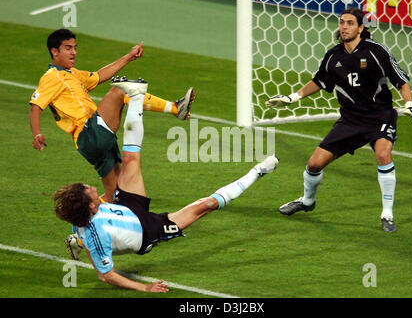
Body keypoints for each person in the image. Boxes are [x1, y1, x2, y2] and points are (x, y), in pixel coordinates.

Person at [54, 78, 279, 292]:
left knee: (131, 158)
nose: (93, 188)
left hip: (129, 207)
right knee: (206, 206)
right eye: (89, 191)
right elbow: (106, 275)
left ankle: (136, 96)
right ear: (91, 206)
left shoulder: (82, 219)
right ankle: (258, 172)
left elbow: (87, 225)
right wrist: (144, 287)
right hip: (148, 230)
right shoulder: (95, 234)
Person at [266, 8, 412, 233]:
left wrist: (409, 103)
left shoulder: (376, 51)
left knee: (383, 154)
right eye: (342, 23)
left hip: (379, 116)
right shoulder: (333, 56)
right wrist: (292, 97)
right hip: (350, 120)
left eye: (350, 23)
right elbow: (320, 81)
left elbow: (400, 79)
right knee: (314, 164)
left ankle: (387, 214)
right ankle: (307, 201)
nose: (344, 27)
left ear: (361, 28)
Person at [30, 28, 195, 204]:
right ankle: (176, 108)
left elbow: (100, 76)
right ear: (54, 51)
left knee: (114, 197)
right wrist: (37, 133)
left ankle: (80, 223)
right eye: (68, 48)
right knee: (120, 90)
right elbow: (35, 105)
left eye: (75, 47)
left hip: (89, 143)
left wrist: (129, 57)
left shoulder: (72, 74)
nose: (74, 52)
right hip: (90, 133)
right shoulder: (51, 77)